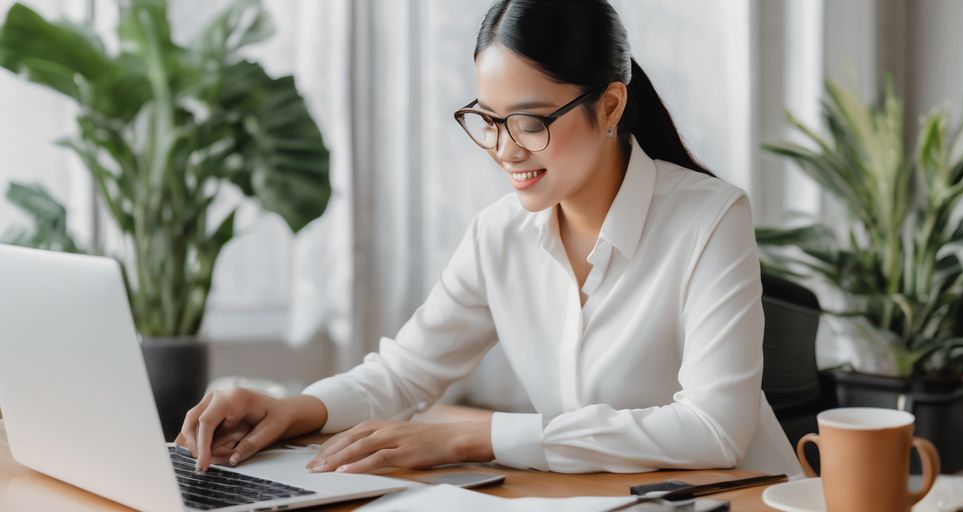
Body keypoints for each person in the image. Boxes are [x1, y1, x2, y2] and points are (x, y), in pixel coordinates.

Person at [177, 0, 802, 477]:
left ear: (610, 107)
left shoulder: (711, 218)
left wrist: (476, 436)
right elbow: (403, 374)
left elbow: (712, 429)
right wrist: (294, 409)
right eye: (488, 119)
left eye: (529, 121)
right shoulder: (499, 234)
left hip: (744, 498)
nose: (505, 149)